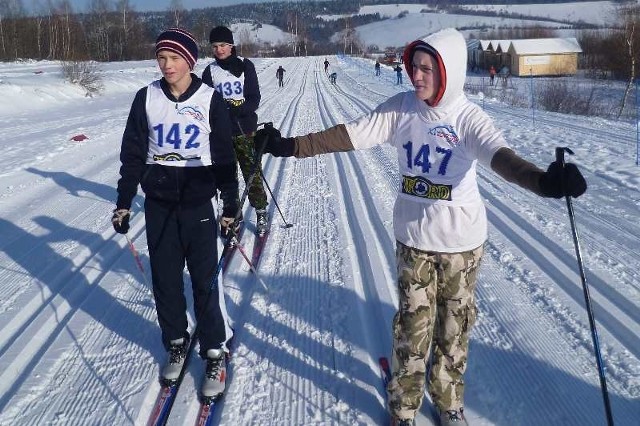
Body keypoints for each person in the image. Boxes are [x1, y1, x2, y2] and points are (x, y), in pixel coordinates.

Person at [254, 28, 586, 426]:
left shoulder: (467, 118)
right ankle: (404, 407)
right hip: (414, 240)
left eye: (427, 68)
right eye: (414, 66)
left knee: (454, 327)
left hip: (463, 246)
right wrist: (289, 145)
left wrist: (544, 183)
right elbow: (349, 135)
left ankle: (448, 403)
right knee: (413, 328)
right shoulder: (401, 109)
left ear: (449, 72)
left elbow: (503, 159)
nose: (417, 75)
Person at [111, 28, 239, 401]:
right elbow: (133, 154)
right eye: (161, 58)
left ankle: (214, 351)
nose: (166, 65)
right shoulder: (146, 98)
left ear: (190, 61)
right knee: (165, 279)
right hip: (160, 203)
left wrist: (229, 207)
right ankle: (177, 342)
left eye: (174, 58)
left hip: (199, 202)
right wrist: (123, 200)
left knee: (204, 281)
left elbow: (224, 157)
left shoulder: (209, 98)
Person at [202, 25, 269, 236]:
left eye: (223, 45)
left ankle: (260, 211)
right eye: (215, 46)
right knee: (227, 178)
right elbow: (204, 102)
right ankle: (233, 216)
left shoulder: (245, 66)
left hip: (244, 128)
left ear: (231, 45)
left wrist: (239, 109)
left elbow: (254, 98)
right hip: (221, 134)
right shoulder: (209, 71)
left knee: (252, 173)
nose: (219, 50)